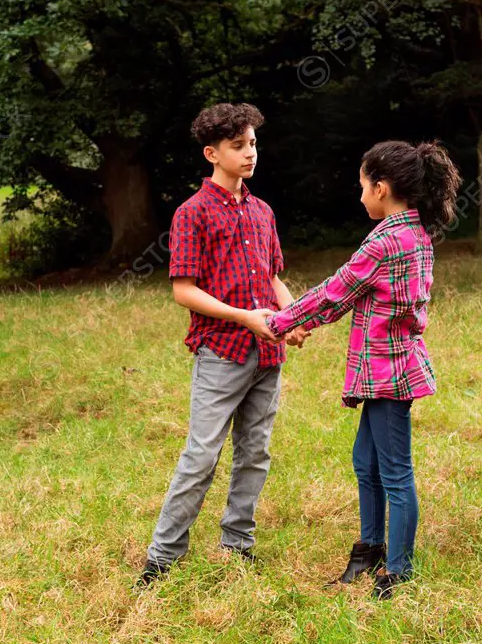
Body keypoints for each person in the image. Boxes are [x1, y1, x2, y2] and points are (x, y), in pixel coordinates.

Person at [266, 140, 461, 599]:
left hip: (389, 373)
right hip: (385, 369)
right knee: (366, 462)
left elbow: (336, 292)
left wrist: (278, 323)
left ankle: (398, 571)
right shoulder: (414, 233)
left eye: (362, 187)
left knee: (395, 472)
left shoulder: (388, 240)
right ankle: (370, 549)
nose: (359, 197)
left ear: (381, 187)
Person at [137, 103, 310, 586]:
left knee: (255, 453)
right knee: (202, 455)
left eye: (253, 143)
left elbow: (274, 278)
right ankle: (162, 558)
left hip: (268, 353)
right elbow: (183, 290)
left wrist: (293, 317)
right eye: (238, 146)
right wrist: (245, 319)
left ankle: (238, 545)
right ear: (213, 153)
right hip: (222, 352)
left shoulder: (262, 211)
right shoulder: (191, 214)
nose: (250, 153)